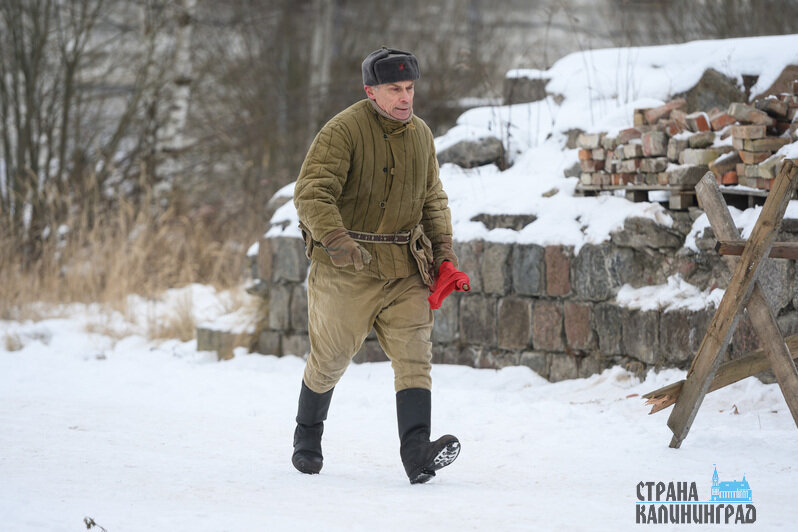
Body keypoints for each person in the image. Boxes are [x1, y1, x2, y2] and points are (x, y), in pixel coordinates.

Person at [291, 47, 462, 484]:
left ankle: (416, 453)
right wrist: (335, 238)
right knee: (330, 358)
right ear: (371, 91)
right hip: (347, 266)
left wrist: (444, 255)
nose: (405, 98)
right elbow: (312, 192)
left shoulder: (421, 134)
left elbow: (432, 198)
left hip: (406, 266)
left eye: (409, 89)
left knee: (414, 357)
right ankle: (307, 435)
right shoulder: (342, 131)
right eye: (394, 90)